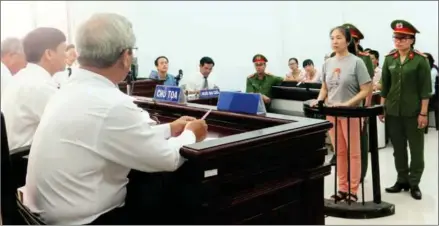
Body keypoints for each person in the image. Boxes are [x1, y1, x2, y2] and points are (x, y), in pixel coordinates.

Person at [22, 13, 208, 225]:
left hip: (43, 215)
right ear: (126, 56)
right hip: (87, 220)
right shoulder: (112, 104)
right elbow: (166, 158)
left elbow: (121, 135)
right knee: (167, 189)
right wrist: (192, 133)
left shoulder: (69, 88)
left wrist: (169, 129)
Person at [311, 26, 372, 202]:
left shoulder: (356, 62)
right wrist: (319, 99)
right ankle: (342, 188)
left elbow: (366, 89)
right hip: (332, 113)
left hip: (351, 114)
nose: (334, 41)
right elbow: (325, 87)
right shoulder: (327, 63)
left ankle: (353, 190)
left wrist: (347, 104)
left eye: (338, 38)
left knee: (354, 153)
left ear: (347, 41)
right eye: (332, 38)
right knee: (340, 152)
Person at [380, 20, 432, 200]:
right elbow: (385, 86)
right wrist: (381, 107)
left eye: (403, 38)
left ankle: (414, 182)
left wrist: (423, 113)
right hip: (393, 111)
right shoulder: (389, 59)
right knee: (398, 149)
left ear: (411, 40)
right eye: (396, 37)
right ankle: (401, 180)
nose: (398, 41)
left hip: (414, 112)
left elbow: (425, 90)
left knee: (416, 150)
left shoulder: (420, 60)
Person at [1, 28, 66, 150]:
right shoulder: (38, 86)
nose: (66, 55)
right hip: (23, 160)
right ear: (49, 54)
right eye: (64, 50)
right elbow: (67, 126)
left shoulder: (24, 77)